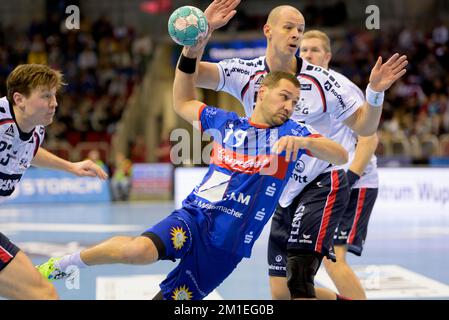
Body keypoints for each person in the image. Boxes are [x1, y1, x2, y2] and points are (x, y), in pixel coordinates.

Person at [36, 32, 348, 300]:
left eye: (294, 102)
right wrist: (191, 50)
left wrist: (307, 144)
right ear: (262, 92)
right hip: (194, 217)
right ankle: (66, 264)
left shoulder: (294, 132)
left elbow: (340, 155)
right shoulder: (226, 122)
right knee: (137, 251)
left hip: (226, 246)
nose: (289, 107)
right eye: (284, 97)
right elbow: (182, 101)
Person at [190, 2, 407, 299]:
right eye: (289, 28)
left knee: (302, 278)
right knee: (281, 293)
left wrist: (375, 92)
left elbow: (365, 129)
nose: (296, 35)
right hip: (280, 189)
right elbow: (191, 75)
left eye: (300, 30)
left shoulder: (324, 82)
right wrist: (202, 33)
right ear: (268, 30)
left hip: (322, 183)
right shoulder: (246, 72)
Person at [0, 64, 108, 300]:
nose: (54, 103)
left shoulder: (36, 131)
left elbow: (28, 152)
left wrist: (71, 167)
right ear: (19, 99)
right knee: (43, 295)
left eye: (55, 95)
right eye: (46, 95)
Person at [297, 30, 379, 299]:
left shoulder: (340, 87)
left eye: (315, 50)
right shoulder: (297, 88)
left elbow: (369, 137)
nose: (308, 54)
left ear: (328, 56)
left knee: (334, 259)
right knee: (301, 263)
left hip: (354, 182)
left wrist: (351, 177)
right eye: (304, 50)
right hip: (325, 184)